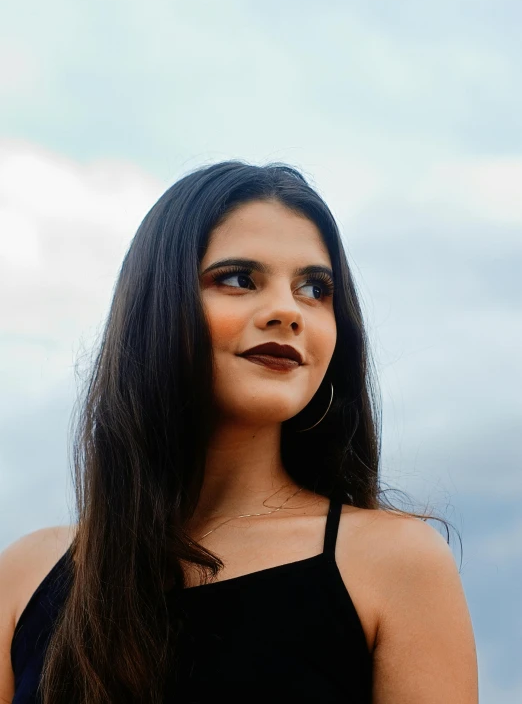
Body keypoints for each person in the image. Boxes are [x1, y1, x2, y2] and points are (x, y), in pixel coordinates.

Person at [0, 161, 478, 703]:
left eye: (315, 289)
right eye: (238, 279)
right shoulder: (26, 575)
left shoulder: (394, 564)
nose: (286, 311)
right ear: (157, 305)